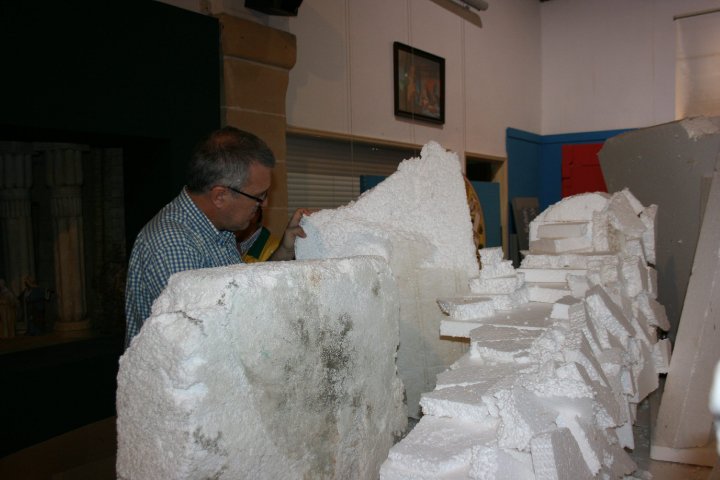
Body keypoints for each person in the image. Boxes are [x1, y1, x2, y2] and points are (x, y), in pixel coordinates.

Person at [124, 127, 309, 347]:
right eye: (259, 196)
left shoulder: (218, 229)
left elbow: (248, 295)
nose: (265, 204)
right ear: (220, 196)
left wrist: (285, 251)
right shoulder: (174, 245)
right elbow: (205, 343)